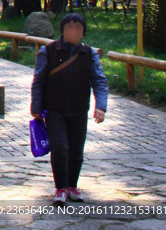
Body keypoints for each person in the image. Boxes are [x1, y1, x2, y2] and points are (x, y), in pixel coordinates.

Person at [30, 12, 109, 205]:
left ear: (83, 33)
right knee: (60, 148)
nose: (73, 32)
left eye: (78, 29)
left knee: (76, 150)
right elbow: (38, 81)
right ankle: (60, 188)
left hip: (79, 109)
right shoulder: (48, 51)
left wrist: (101, 107)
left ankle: (72, 186)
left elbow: (99, 81)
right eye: (69, 28)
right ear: (62, 31)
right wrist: (36, 106)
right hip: (54, 109)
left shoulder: (89, 54)